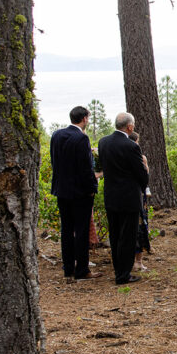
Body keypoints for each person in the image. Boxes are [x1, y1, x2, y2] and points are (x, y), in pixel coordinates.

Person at [50, 106, 102, 281]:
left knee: (66, 230)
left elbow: (54, 161)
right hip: (80, 193)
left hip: (61, 190)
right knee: (81, 230)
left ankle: (68, 268)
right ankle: (82, 270)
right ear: (85, 119)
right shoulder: (81, 138)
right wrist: (92, 189)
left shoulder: (56, 135)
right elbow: (86, 168)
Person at [98, 113, 149, 285]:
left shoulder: (103, 142)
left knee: (115, 235)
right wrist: (143, 184)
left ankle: (118, 269)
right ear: (130, 127)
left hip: (111, 196)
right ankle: (123, 275)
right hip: (128, 197)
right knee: (127, 236)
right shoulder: (131, 146)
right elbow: (141, 173)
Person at [129, 132, 151, 272]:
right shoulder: (140, 158)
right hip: (137, 196)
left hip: (124, 196)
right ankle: (138, 261)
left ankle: (130, 260)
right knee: (140, 227)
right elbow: (145, 175)